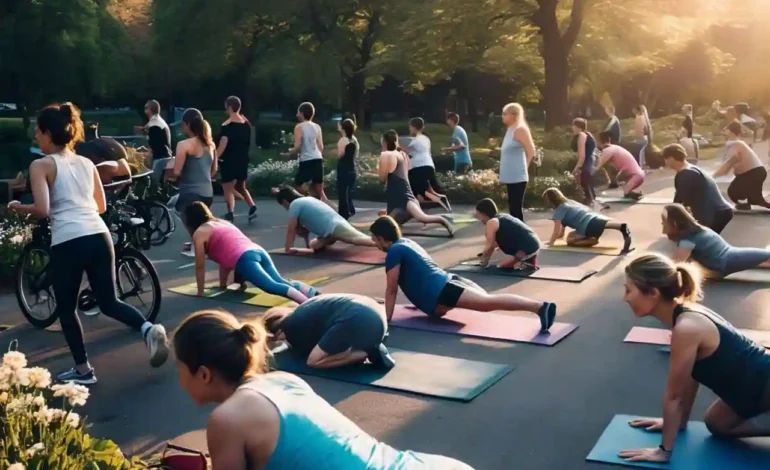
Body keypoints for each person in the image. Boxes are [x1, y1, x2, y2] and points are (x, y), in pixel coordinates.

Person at [173, 310, 474, 469]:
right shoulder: (284, 381)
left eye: (179, 367)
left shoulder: (227, 419)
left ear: (203, 374)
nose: (178, 377)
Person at [7, 102, 168, 384]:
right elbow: (101, 205)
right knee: (109, 301)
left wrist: (17, 206)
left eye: (37, 133)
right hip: (98, 235)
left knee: (67, 310)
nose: (35, 138)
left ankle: (83, 371)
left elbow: (43, 209)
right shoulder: (86, 163)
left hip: (69, 240)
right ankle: (147, 328)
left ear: (47, 133)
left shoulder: (41, 165)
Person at [618, 254, 770, 464]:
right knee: (717, 424)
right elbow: (691, 376)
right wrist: (679, 422)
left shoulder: (686, 328)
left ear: (652, 293)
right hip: (750, 390)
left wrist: (663, 450)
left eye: (628, 290)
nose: (625, 297)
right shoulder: (682, 316)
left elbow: (674, 397)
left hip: (764, 385)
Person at [369, 216, 556, 332]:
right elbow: (420, 273)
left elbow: (391, 289)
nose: (375, 244)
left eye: (374, 240)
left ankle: (540, 307)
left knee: (488, 303)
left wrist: (386, 323)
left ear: (381, 238)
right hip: (448, 284)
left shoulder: (394, 251)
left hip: (445, 290)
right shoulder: (407, 243)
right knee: (488, 300)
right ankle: (539, 307)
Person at [184, 202, 316, 303]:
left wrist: (200, 291)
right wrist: (222, 285)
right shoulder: (221, 222)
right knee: (279, 281)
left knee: (271, 286)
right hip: (257, 250)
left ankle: (307, 303)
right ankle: (312, 293)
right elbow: (224, 260)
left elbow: (200, 266)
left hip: (244, 257)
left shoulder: (200, 233)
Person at [263, 294, 394, 370]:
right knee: (332, 341)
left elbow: (303, 351)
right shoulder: (306, 307)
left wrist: (273, 339)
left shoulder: (290, 325)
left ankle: (364, 352)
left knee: (313, 361)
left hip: (358, 318)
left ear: (279, 331)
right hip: (376, 313)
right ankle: (372, 341)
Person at [661, 203, 770, 278]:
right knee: (764, 257)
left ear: (674, 223)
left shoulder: (688, 239)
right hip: (728, 258)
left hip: (727, 261)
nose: (662, 226)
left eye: (664, 223)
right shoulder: (697, 230)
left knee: (765, 256)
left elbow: (676, 264)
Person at [377, 131, 454, 235]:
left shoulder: (387, 155)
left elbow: (382, 179)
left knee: (423, 218)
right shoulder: (403, 154)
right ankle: (391, 215)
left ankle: (444, 221)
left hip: (404, 200)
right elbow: (403, 172)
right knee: (386, 222)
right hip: (404, 199)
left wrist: (381, 167)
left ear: (384, 143)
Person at [171, 108, 216, 257]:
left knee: (179, 209)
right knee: (200, 220)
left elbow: (176, 172)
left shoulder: (183, 145)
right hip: (208, 192)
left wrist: (167, 175)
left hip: (190, 193)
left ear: (186, 124)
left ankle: (198, 246)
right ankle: (201, 243)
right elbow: (213, 171)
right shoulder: (211, 145)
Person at [275, 186, 375, 252]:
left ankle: (386, 244)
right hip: (332, 228)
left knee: (357, 239)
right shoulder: (306, 200)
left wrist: (288, 248)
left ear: (285, 201)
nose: (285, 208)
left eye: (283, 205)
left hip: (334, 227)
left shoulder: (294, 204)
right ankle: (330, 238)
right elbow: (303, 231)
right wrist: (306, 245)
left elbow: (291, 229)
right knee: (314, 245)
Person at [664, 143, 734, 234]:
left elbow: (679, 203)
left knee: (700, 244)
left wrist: (670, 221)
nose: (665, 162)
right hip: (719, 212)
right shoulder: (691, 169)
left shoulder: (686, 174)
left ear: (671, 158)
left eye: (665, 158)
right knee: (703, 244)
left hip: (715, 215)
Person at [543, 187, 632, 253]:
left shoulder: (559, 210)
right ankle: (620, 226)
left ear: (550, 200)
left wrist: (551, 243)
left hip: (586, 225)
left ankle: (592, 240)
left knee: (570, 240)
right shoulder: (570, 202)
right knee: (573, 233)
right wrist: (554, 239)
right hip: (594, 217)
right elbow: (561, 233)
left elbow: (556, 230)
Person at [217, 96, 257, 223]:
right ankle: (252, 206)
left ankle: (230, 212)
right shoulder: (246, 124)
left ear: (229, 107)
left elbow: (224, 142)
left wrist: (215, 157)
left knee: (227, 187)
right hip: (243, 159)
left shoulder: (227, 126)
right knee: (241, 185)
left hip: (229, 160)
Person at [713, 120, 770, 210]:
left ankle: (744, 204)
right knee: (756, 199)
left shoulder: (736, 144)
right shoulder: (736, 143)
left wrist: (712, 177)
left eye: (726, 129)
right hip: (755, 172)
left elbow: (729, 163)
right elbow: (728, 166)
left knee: (733, 192)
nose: (724, 131)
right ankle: (746, 204)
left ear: (731, 131)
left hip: (753, 173)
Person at [281, 102, 329, 204]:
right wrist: (318, 155)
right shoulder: (317, 126)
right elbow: (321, 146)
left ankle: (306, 200)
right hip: (318, 159)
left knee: (297, 185)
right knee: (319, 189)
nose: (296, 114)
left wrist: (289, 153)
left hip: (307, 160)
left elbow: (298, 146)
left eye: (298, 112)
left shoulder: (299, 127)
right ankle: (326, 208)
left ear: (302, 113)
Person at [474, 198, 540, 269]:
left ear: (483, 214)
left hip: (527, 248)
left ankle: (526, 261)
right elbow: (495, 243)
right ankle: (528, 260)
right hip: (534, 243)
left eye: (479, 215)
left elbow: (490, 246)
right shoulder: (503, 216)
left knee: (502, 267)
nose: (479, 219)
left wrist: (483, 262)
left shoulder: (491, 222)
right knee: (505, 265)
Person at [499, 103, 536, 221]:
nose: (502, 116)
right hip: (509, 176)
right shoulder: (510, 130)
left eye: (505, 114)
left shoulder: (520, 130)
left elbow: (531, 152)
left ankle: (522, 235)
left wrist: (524, 167)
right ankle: (516, 234)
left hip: (517, 177)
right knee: (512, 209)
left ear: (514, 115)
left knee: (516, 209)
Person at [405, 117, 449, 210]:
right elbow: (428, 153)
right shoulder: (426, 139)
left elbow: (404, 149)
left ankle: (438, 200)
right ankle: (422, 206)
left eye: (410, 127)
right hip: (429, 165)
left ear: (413, 127)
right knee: (425, 189)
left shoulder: (413, 139)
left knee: (418, 189)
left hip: (418, 167)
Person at [595, 131, 645, 199]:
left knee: (626, 193)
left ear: (599, 142)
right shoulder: (614, 147)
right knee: (618, 177)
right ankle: (633, 191)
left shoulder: (608, 150)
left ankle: (634, 193)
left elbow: (597, 167)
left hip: (636, 176)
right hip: (638, 175)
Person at [135, 100, 172, 185]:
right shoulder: (158, 121)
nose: (144, 111)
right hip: (165, 157)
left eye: (146, 108)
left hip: (159, 160)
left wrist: (143, 156)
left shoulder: (154, 126)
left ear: (149, 110)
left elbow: (154, 148)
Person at [571, 118, 605, 208]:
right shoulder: (588, 134)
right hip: (591, 163)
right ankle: (596, 207)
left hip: (586, 165)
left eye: (573, 126)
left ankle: (592, 210)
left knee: (587, 193)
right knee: (590, 190)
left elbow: (582, 156)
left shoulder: (581, 136)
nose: (572, 128)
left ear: (578, 127)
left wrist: (575, 169)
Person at [335, 118, 358, 219]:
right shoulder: (354, 139)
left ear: (343, 128)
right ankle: (351, 209)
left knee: (342, 193)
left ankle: (344, 214)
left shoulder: (343, 140)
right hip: (352, 168)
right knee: (348, 192)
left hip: (344, 168)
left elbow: (340, 155)